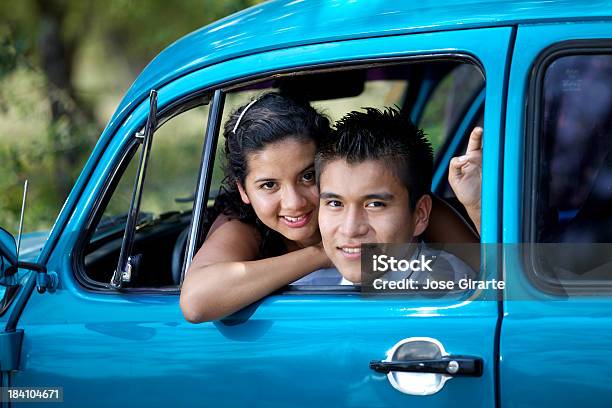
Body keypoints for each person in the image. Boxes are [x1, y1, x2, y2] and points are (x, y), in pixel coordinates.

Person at [181, 93, 479, 323]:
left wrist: (475, 206)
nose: (294, 202)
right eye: (268, 185)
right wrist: (326, 253)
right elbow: (197, 301)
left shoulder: (407, 210)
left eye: (308, 176)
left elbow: (494, 278)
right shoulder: (245, 224)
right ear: (244, 190)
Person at [316, 107, 474, 284]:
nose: (350, 229)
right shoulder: (306, 287)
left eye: (375, 204)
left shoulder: (454, 285)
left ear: (420, 214)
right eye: (335, 203)